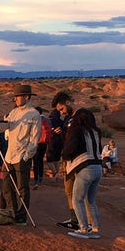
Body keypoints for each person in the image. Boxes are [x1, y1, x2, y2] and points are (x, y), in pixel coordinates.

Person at [2, 84, 42, 225]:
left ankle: (21, 216)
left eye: (18, 96)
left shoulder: (34, 114)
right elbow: (7, 130)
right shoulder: (13, 113)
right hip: (9, 156)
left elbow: (34, 138)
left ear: (26, 97)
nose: (16, 100)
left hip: (21, 157)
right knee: (6, 185)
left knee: (22, 187)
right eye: (15, 97)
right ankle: (11, 212)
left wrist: (26, 156)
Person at [62, 108, 104, 238]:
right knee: (90, 200)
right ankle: (95, 228)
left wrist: (64, 155)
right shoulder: (96, 132)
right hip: (98, 168)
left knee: (77, 199)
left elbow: (71, 148)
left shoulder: (77, 130)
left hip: (85, 168)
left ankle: (83, 228)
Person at [51, 91, 78, 229]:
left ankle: (83, 223)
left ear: (68, 103)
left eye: (61, 109)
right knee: (69, 191)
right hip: (67, 158)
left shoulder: (79, 118)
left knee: (77, 192)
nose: (61, 113)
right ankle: (75, 220)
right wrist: (60, 133)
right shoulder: (67, 120)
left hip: (77, 160)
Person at [32, 106, 51, 189]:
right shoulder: (46, 120)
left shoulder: (34, 120)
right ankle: (41, 178)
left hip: (36, 142)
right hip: (44, 143)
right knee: (40, 160)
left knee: (35, 161)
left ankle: (36, 179)